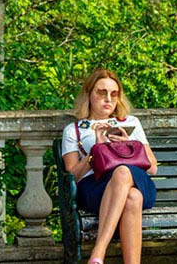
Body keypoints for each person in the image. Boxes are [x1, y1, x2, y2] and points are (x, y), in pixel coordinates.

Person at [61, 69, 158, 264]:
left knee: (123, 173)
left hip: (137, 179)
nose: (108, 98)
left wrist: (127, 143)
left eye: (114, 94)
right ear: (89, 94)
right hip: (96, 188)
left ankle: (98, 253)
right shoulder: (74, 130)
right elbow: (73, 176)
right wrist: (95, 150)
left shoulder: (130, 123)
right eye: (101, 92)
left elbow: (153, 167)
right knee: (132, 197)